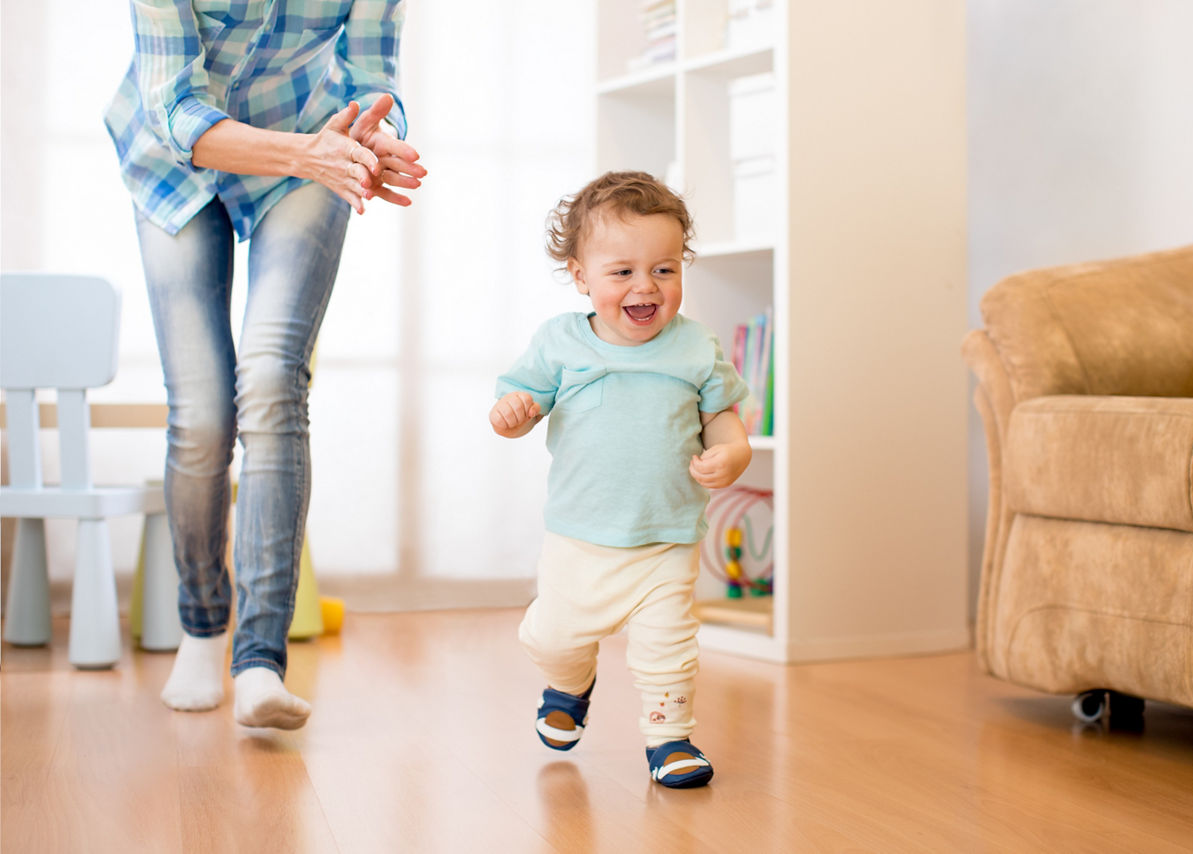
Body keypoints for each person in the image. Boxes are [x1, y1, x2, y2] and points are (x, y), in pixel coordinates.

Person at [106, 1, 427, 730]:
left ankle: (258, 661)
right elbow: (175, 108)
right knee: (203, 413)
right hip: (177, 156)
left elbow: (373, 77)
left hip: (309, 142)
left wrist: (375, 138)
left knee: (274, 380)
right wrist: (307, 152)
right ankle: (202, 624)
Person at [490, 171, 752, 788]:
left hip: (666, 534)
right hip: (580, 535)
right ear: (581, 277)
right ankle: (569, 681)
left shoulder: (694, 347)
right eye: (622, 272)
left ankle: (670, 740)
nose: (646, 286)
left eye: (664, 270)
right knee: (553, 635)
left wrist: (733, 454)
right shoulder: (560, 343)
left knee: (667, 647)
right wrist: (514, 413)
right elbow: (520, 400)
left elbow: (723, 420)